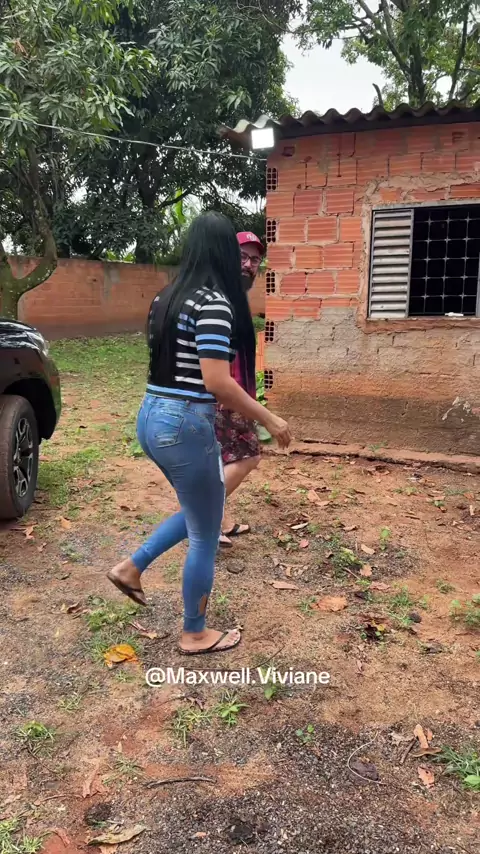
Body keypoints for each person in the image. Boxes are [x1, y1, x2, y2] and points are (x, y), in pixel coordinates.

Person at [107, 212, 292, 656]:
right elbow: (217, 382)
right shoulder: (214, 303)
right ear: (225, 252)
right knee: (206, 532)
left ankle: (132, 567)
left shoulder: (165, 297)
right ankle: (194, 634)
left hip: (150, 416)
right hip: (185, 423)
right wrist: (270, 419)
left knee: (200, 512)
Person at [216, 231, 265, 548]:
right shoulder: (222, 300)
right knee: (249, 456)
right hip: (227, 397)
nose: (248, 264)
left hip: (236, 394)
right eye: (242, 257)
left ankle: (218, 520)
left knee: (221, 462)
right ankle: (204, 515)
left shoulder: (235, 297)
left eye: (255, 260)